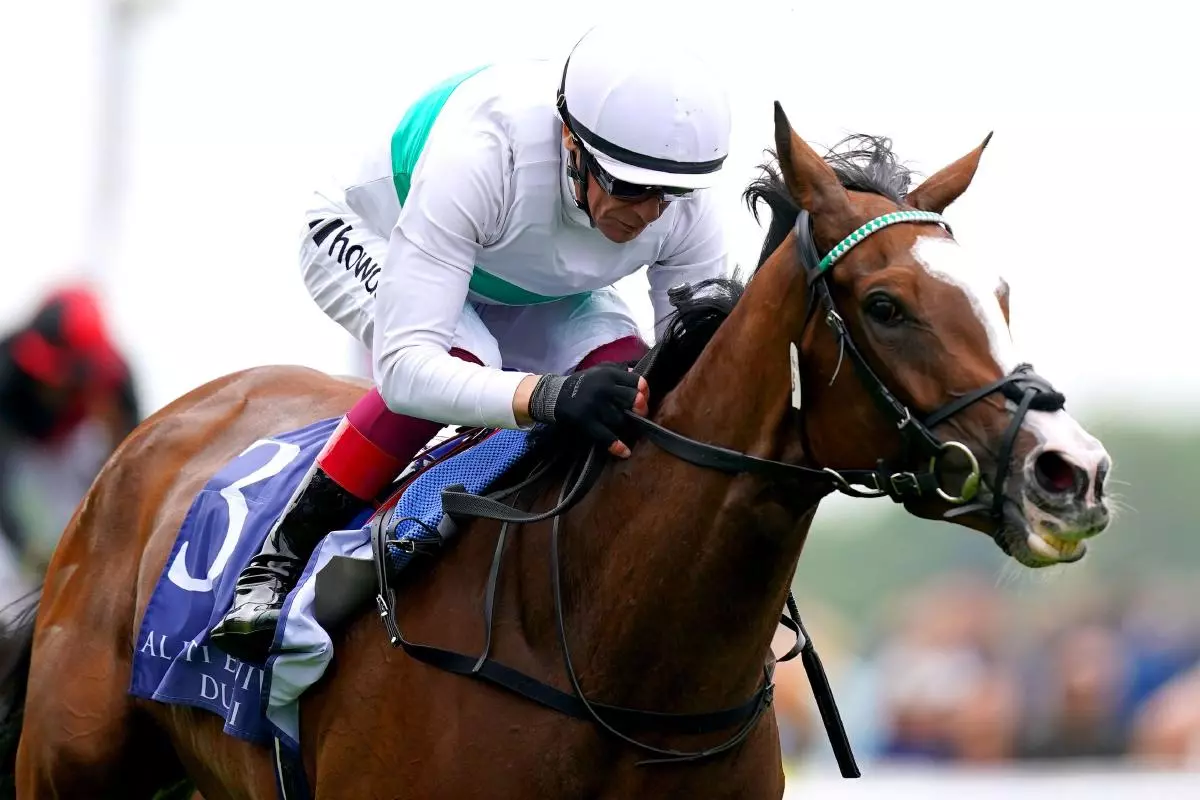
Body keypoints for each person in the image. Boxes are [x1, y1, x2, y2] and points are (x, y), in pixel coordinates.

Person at [208, 24, 733, 664]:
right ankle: (276, 563)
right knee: (463, 366)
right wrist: (546, 395)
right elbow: (406, 371)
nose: (650, 213)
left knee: (631, 385)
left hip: (527, 285)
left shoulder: (683, 205)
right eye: (627, 188)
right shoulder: (486, 153)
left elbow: (695, 371)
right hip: (377, 236)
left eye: (669, 195)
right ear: (572, 143)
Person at [0, 283, 140, 584]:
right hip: (21, 458)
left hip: (75, 455)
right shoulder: (6, 368)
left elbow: (138, 463)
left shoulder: (114, 379)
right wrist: (25, 548)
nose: (50, 389)